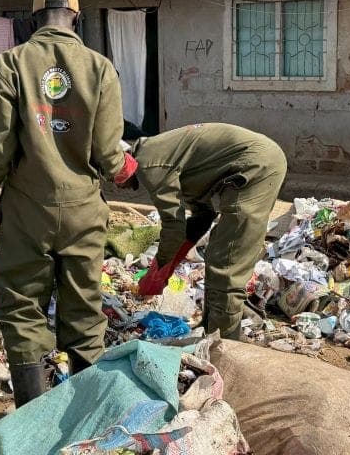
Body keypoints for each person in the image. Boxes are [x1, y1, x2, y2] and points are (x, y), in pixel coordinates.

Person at [0, 0, 136, 407]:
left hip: (27, 211)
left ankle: (33, 417)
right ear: (76, 18)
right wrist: (129, 171)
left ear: (33, 20)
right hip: (83, 211)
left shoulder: (10, 64)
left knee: (21, 310)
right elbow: (110, 155)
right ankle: (84, 416)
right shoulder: (100, 68)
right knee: (85, 312)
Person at [118, 124, 287, 340]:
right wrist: (169, 264)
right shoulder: (158, 154)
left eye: (108, 174)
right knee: (217, 256)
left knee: (226, 262)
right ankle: (211, 330)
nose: (115, 186)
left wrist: (157, 273)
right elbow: (203, 216)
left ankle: (224, 344)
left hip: (256, 166)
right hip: (256, 160)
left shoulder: (150, 164)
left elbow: (174, 227)